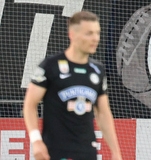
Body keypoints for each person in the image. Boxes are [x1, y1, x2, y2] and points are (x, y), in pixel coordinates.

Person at [23, 11, 125, 160]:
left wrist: (116, 153)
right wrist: (36, 140)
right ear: (72, 34)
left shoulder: (98, 70)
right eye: (89, 33)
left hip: (87, 152)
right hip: (54, 151)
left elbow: (103, 113)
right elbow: (29, 105)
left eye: (97, 33)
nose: (95, 38)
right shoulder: (51, 66)